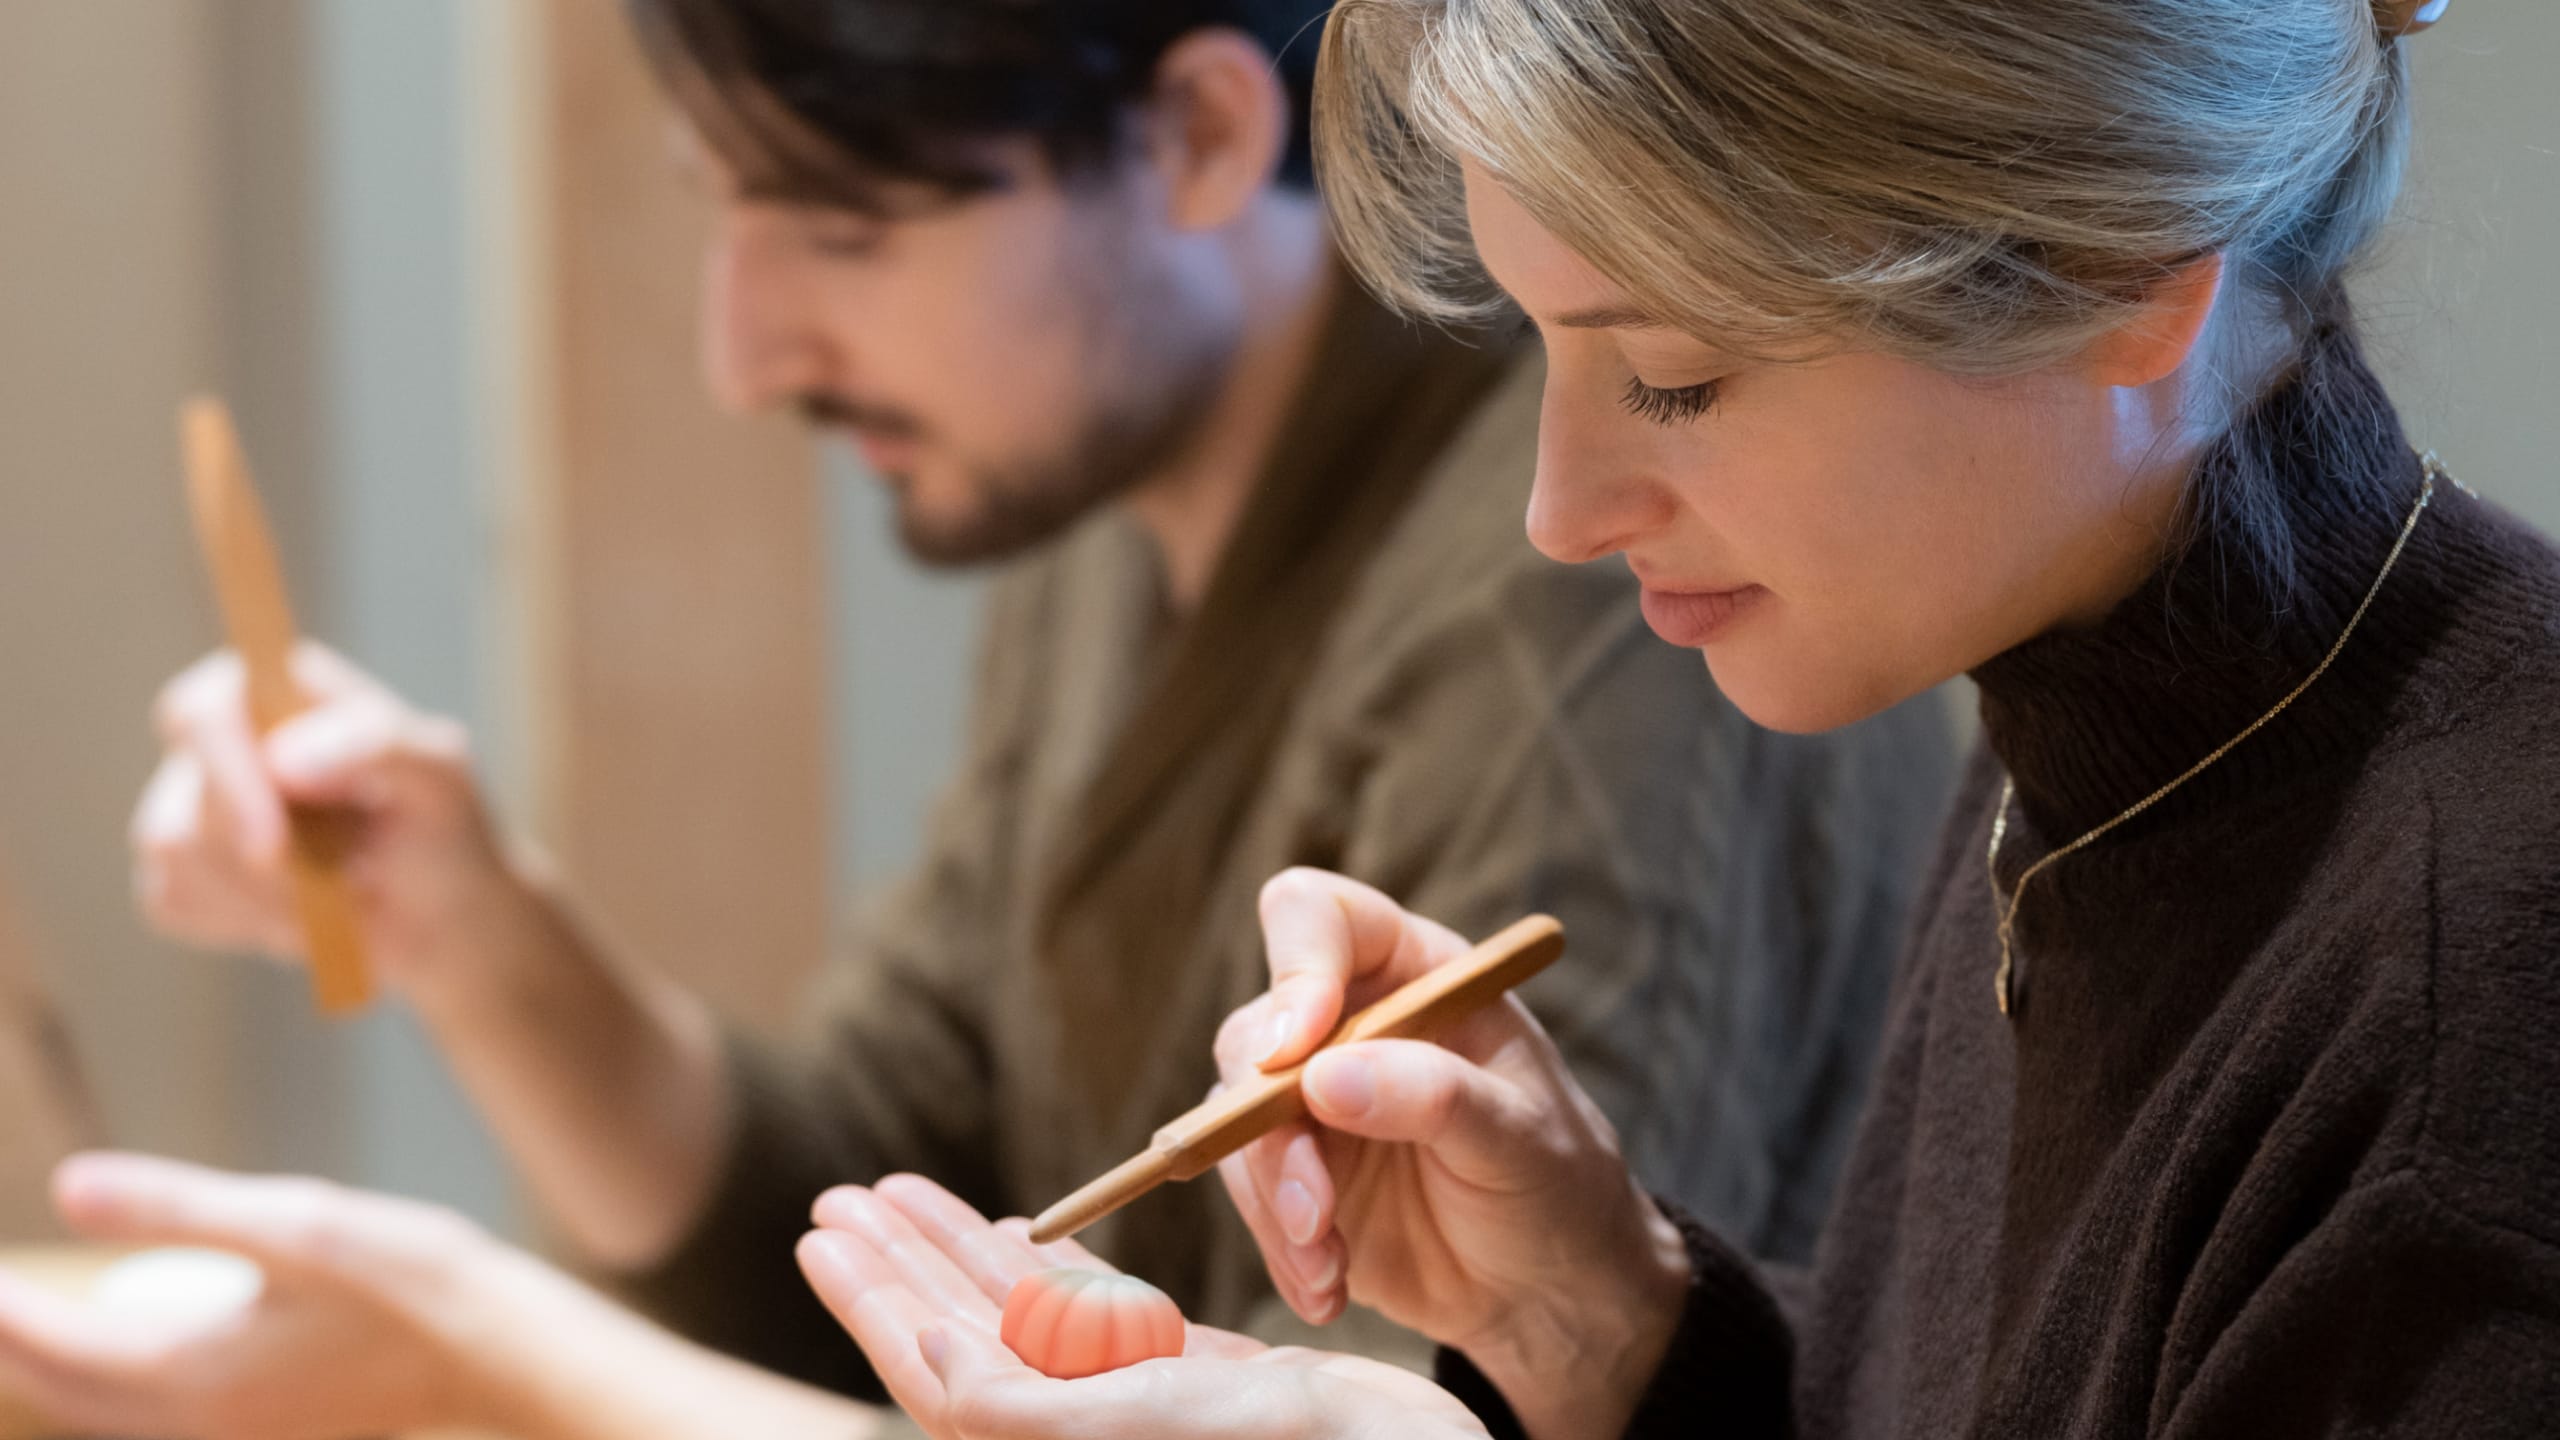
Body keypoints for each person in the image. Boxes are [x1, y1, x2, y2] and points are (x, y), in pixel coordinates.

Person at [0, 0, 1954, 1434]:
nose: (742, 347)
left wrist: (467, 1352)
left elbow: (1439, 1415)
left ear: (1194, 133)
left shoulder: (1569, 611)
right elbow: (875, 1177)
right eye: (722, 217)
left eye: (843, 234)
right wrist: (481, 934)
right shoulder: (1110, 508)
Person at [795, 0, 2560, 1435]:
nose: (1561, 508)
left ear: (2117, 273)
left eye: (1674, 377)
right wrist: (1605, 1323)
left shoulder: (2465, 1016)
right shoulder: (2099, 718)